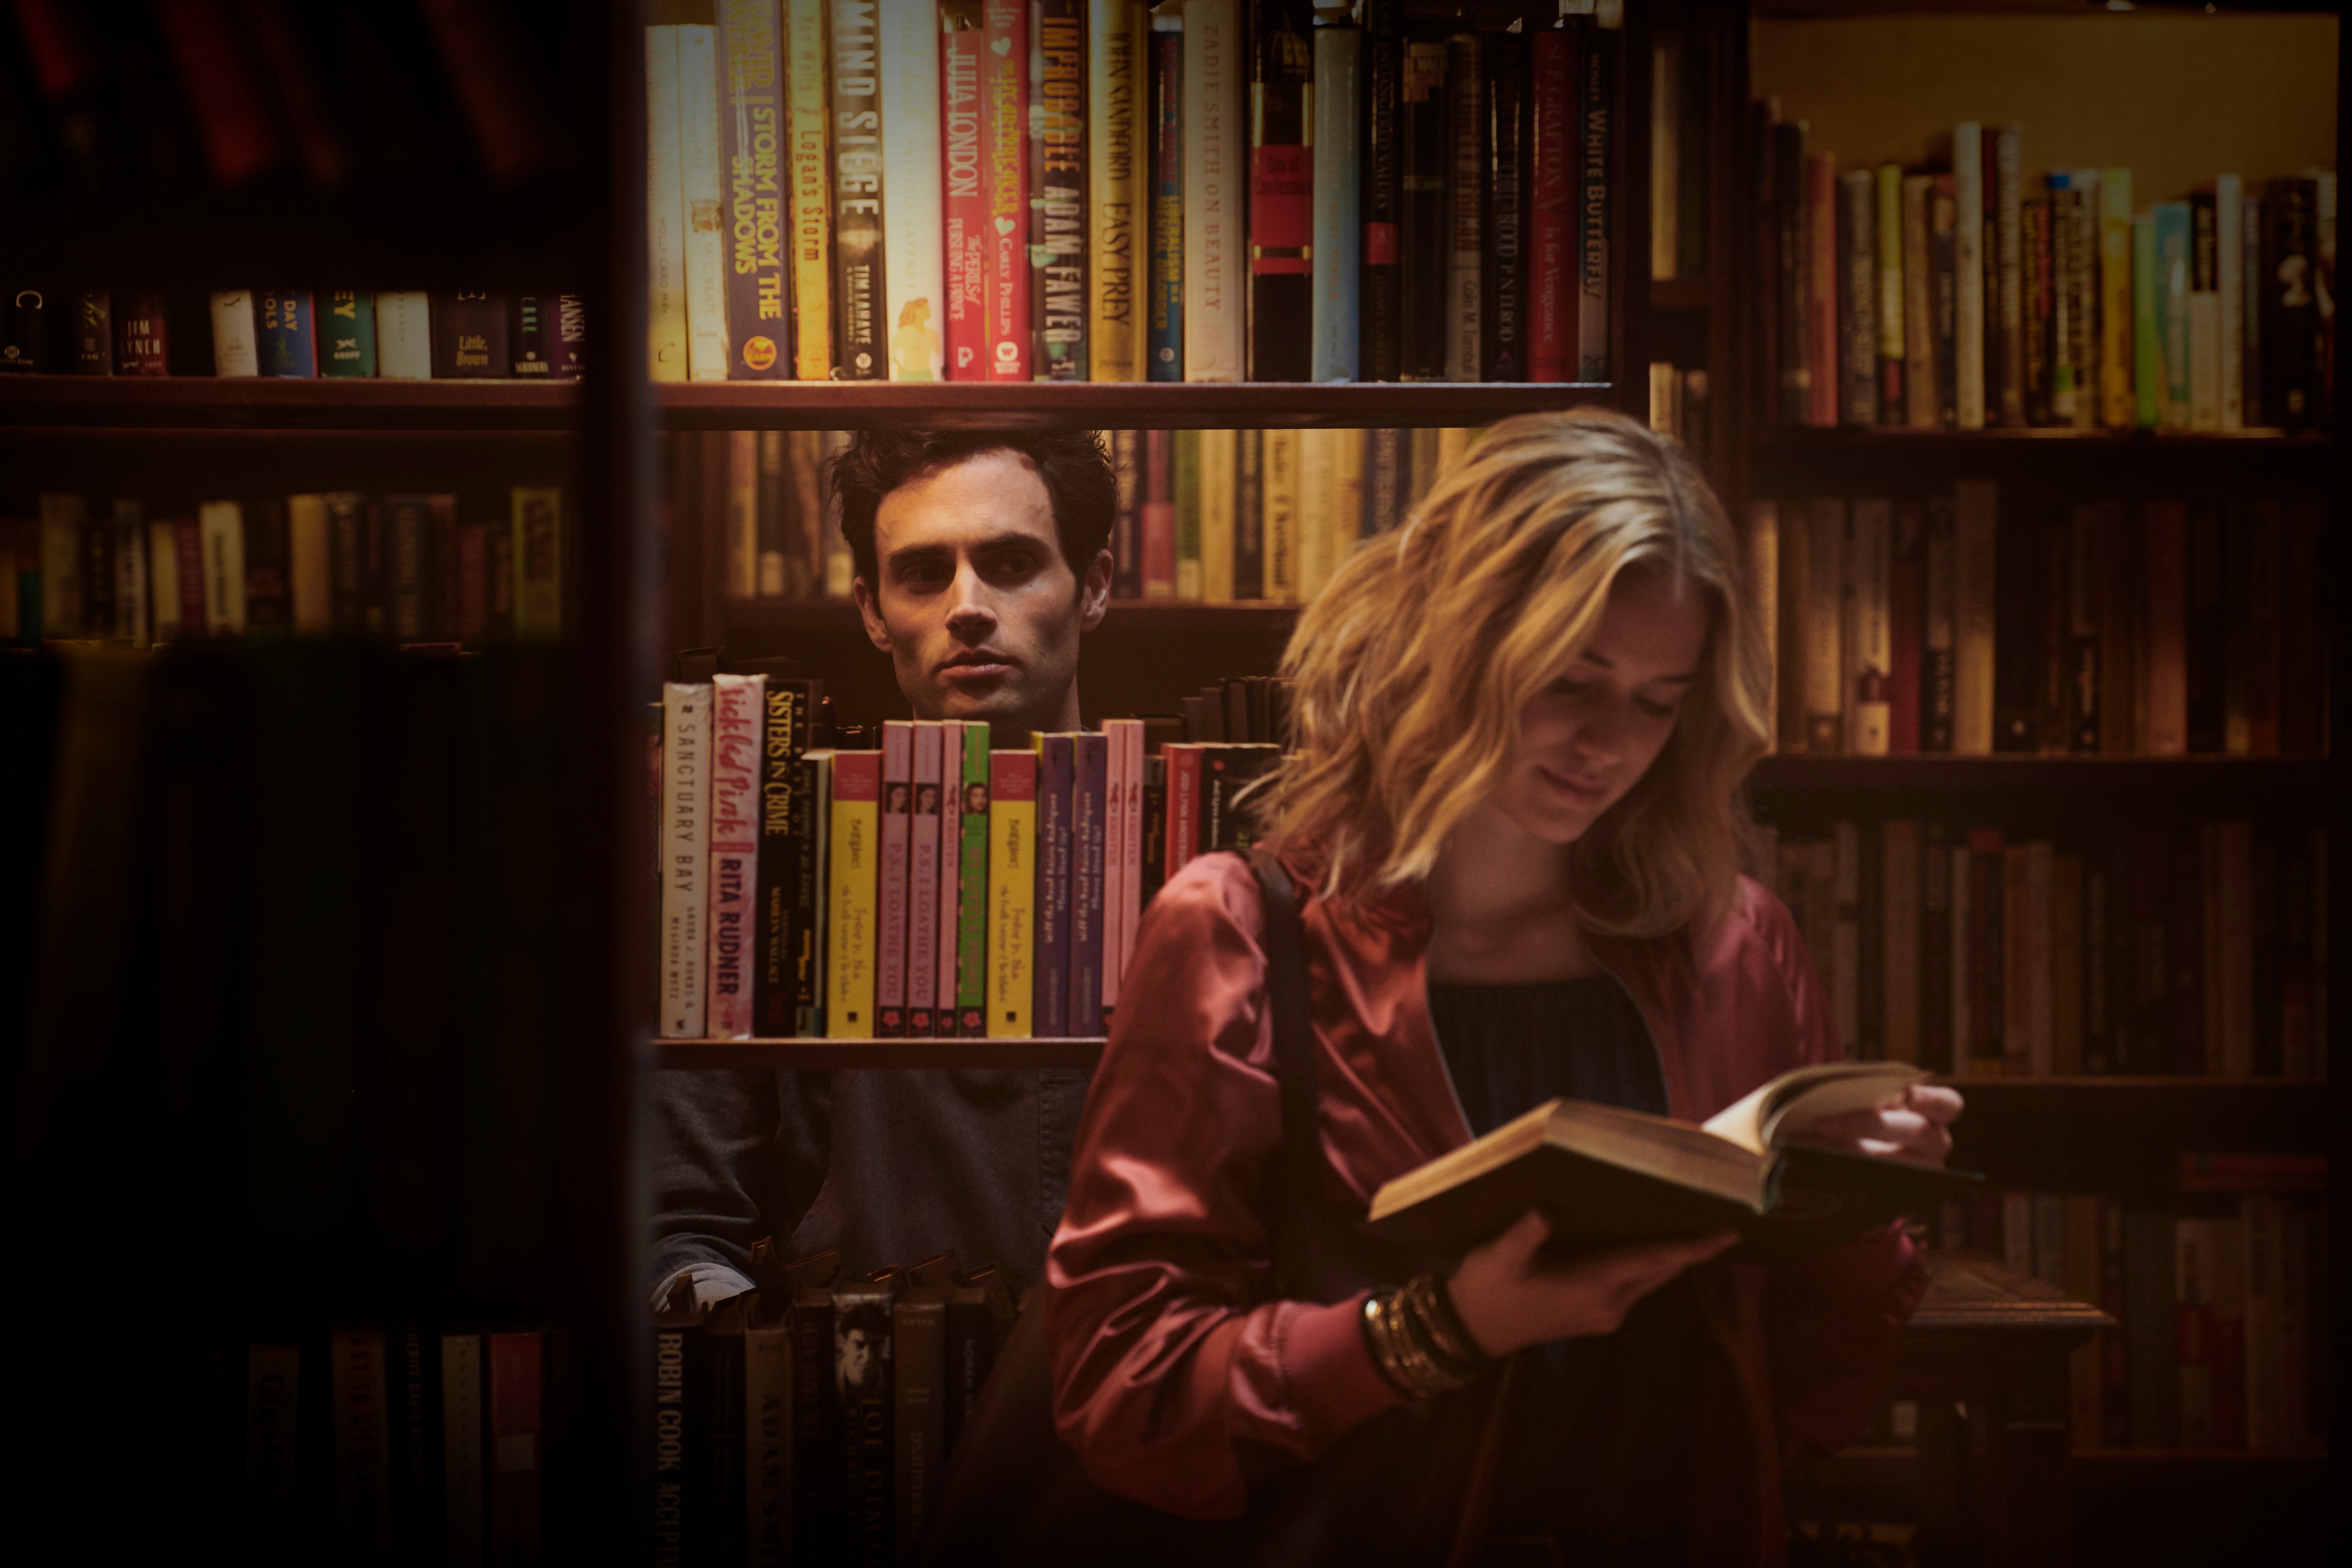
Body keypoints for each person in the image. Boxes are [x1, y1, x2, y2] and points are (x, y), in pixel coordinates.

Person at [1042, 410, 1963, 1564]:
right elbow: (1123, 1392)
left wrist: (1854, 1202)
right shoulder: (1239, 932)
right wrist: (1437, 1328)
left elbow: (1813, 1377)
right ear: (1454, 640)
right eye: (1569, 681)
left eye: (1654, 698)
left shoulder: (1733, 942)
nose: (1606, 744)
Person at [650, 427, 1115, 1318]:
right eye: (923, 572)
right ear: (871, 608)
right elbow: (683, 1226)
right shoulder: (763, 867)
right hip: (848, 1400)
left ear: (1092, 587)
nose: (968, 606)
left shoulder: (1193, 849)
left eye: (1012, 563)